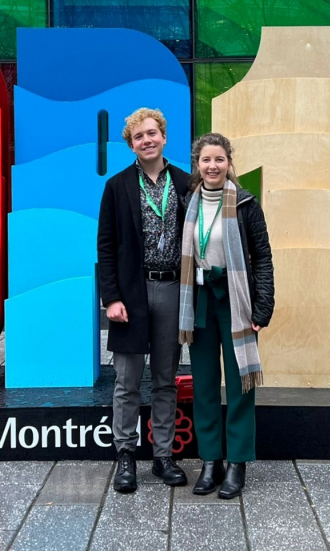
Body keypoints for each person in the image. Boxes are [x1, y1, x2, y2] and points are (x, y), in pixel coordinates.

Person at [97, 108, 192, 493]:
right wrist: (111, 298)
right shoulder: (117, 186)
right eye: (139, 137)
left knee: (167, 379)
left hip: (173, 290)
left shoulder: (187, 183)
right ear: (131, 144)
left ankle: (163, 455)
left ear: (164, 137)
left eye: (152, 133)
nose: (147, 140)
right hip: (133, 294)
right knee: (127, 380)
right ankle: (124, 455)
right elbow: (106, 246)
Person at [180, 133, 274, 499]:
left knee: (240, 386)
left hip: (236, 302)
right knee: (203, 385)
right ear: (197, 164)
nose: (213, 166)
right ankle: (210, 462)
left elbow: (263, 258)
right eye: (206, 160)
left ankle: (237, 463)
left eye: (219, 159)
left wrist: (263, 307)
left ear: (229, 163)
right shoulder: (189, 203)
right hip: (201, 300)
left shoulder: (247, 204)